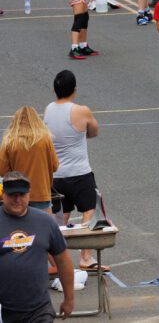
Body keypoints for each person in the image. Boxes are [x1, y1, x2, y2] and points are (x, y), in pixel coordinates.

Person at [43, 70, 104, 270]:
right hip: (79, 173)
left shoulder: (49, 109)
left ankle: (56, 259)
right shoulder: (81, 110)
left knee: (62, 215)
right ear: (74, 90)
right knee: (89, 211)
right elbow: (93, 131)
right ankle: (85, 257)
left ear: (54, 89)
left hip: (56, 175)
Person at [0, 171, 75, 320]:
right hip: (5, 310)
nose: (17, 199)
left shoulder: (45, 222)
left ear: (29, 194)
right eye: (12, 195)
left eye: (21, 195)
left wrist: (69, 299)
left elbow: (63, 261)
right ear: (3, 195)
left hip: (40, 309)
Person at [0, 108, 59, 214]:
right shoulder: (45, 139)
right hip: (41, 194)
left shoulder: (9, 140)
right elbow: (55, 166)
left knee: (19, 229)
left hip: (17, 194)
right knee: (44, 227)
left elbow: (3, 170)